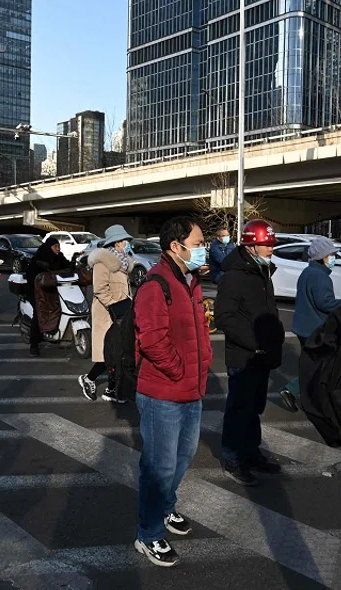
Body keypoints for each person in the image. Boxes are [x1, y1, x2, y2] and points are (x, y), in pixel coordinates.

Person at [133, 216, 213, 568]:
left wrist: (199, 372)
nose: (202, 249)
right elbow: (151, 339)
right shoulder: (157, 284)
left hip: (191, 391)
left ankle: (165, 508)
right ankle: (148, 534)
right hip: (162, 393)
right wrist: (180, 371)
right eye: (197, 244)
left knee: (183, 458)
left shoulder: (189, 281)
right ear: (175, 247)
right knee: (159, 467)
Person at [214, 218, 285, 487]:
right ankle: (232, 458)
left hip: (262, 355)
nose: (271, 249)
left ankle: (251, 453)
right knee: (239, 408)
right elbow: (225, 317)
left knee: (254, 408)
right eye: (266, 245)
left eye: (271, 244)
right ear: (251, 246)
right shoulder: (235, 276)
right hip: (244, 356)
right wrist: (254, 343)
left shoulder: (262, 273)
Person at [279, 237, 341, 413]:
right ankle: (296, 392)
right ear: (322, 257)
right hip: (315, 328)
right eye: (331, 255)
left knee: (314, 364)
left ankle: (303, 395)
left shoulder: (308, 272)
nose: (334, 258)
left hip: (304, 327)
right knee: (323, 365)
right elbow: (325, 303)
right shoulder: (320, 276)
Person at [78, 224, 134, 403]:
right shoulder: (103, 262)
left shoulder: (123, 262)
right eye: (125, 241)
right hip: (107, 314)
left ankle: (111, 389)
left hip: (122, 313)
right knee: (108, 353)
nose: (127, 244)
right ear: (116, 243)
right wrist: (115, 307)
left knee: (119, 352)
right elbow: (100, 290)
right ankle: (89, 379)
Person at [26, 236, 71, 356]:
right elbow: (31, 275)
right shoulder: (39, 258)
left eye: (59, 246)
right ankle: (34, 344)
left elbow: (67, 266)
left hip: (55, 290)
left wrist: (74, 267)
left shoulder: (59, 257)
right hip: (37, 291)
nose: (58, 249)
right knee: (39, 313)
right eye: (55, 246)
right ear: (49, 247)